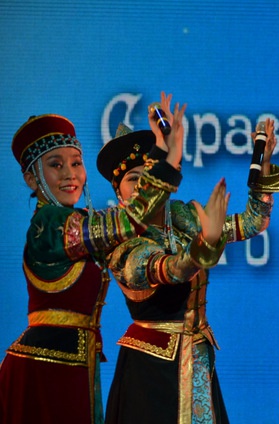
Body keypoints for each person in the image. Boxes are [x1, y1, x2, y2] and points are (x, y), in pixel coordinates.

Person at [99, 104, 279, 424]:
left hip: (198, 354)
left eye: (150, 175)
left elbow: (253, 222)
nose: (145, 185)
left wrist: (263, 163)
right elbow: (169, 269)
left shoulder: (183, 215)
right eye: (134, 179)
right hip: (151, 365)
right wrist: (204, 245)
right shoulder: (119, 238)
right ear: (119, 193)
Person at [0, 102, 184, 424]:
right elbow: (129, 220)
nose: (70, 174)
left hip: (74, 365)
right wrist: (163, 156)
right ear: (31, 178)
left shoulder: (78, 220)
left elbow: (128, 225)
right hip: (45, 371)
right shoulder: (49, 226)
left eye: (76, 163)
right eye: (56, 165)